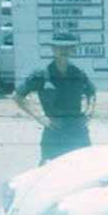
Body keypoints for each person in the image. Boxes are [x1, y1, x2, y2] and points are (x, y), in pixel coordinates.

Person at [14, 31, 96, 165]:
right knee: (49, 172)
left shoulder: (78, 73)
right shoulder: (42, 74)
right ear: (53, 48)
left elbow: (91, 93)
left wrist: (89, 113)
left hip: (77, 131)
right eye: (60, 47)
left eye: (68, 47)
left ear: (73, 49)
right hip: (54, 131)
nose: (64, 51)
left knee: (84, 169)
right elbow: (17, 96)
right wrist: (41, 117)